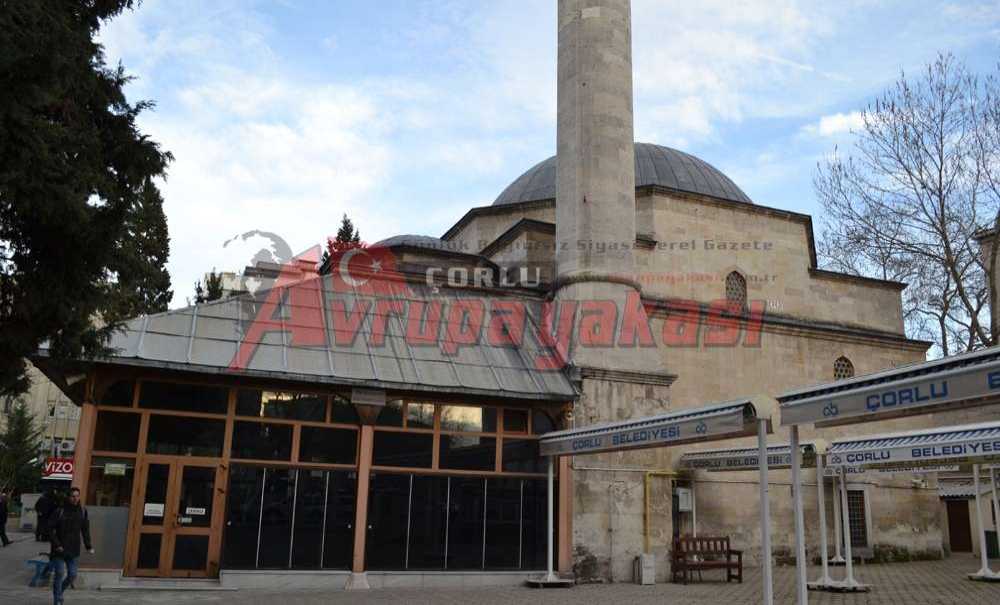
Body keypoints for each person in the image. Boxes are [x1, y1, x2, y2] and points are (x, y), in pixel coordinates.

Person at [49, 487, 93, 605]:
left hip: (73, 548)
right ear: (68, 497)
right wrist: (57, 544)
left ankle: (59, 594)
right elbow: (49, 529)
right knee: (59, 573)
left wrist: (88, 545)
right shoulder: (59, 511)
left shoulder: (82, 511)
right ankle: (57, 600)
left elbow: (85, 529)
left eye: (77, 496)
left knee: (72, 575)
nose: (75, 498)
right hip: (59, 549)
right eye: (73, 496)